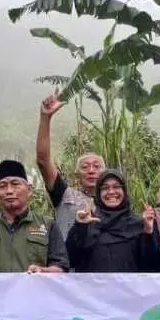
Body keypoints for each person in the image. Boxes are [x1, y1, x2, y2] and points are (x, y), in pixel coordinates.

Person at [0, 160, 68, 274]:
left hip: (35, 286)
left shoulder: (48, 225)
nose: (9, 191)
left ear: (29, 190)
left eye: (15, 184)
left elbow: (61, 267)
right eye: (3, 186)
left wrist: (43, 271)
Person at [66, 169, 160, 273]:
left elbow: (152, 266)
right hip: (92, 284)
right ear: (99, 193)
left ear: (124, 191)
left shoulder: (138, 224)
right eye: (105, 188)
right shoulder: (89, 222)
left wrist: (148, 231)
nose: (111, 192)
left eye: (116, 187)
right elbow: (70, 260)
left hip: (129, 284)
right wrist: (79, 226)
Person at [36, 93, 103, 240]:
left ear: (104, 172)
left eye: (96, 166)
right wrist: (45, 117)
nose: (91, 170)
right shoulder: (65, 195)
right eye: (85, 167)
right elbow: (42, 161)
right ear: (77, 174)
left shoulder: (114, 202)